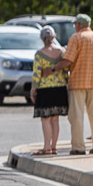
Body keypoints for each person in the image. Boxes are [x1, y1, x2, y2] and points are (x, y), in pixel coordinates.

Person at [42, 14, 93, 155]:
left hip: (78, 82)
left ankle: (79, 147)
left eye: (75, 24)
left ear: (79, 24)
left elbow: (68, 60)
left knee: (77, 116)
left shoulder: (76, 38)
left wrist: (53, 69)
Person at [29, 26, 67, 154]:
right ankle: (54, 146)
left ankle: (46, 147)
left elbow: (36, 74)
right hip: (59, 88)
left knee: (45, 119)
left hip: (45, 89)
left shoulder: (39, 54)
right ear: (54, 37)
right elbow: (66, 70)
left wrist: (33, 90)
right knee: (55, 119)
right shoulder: (62, 52)